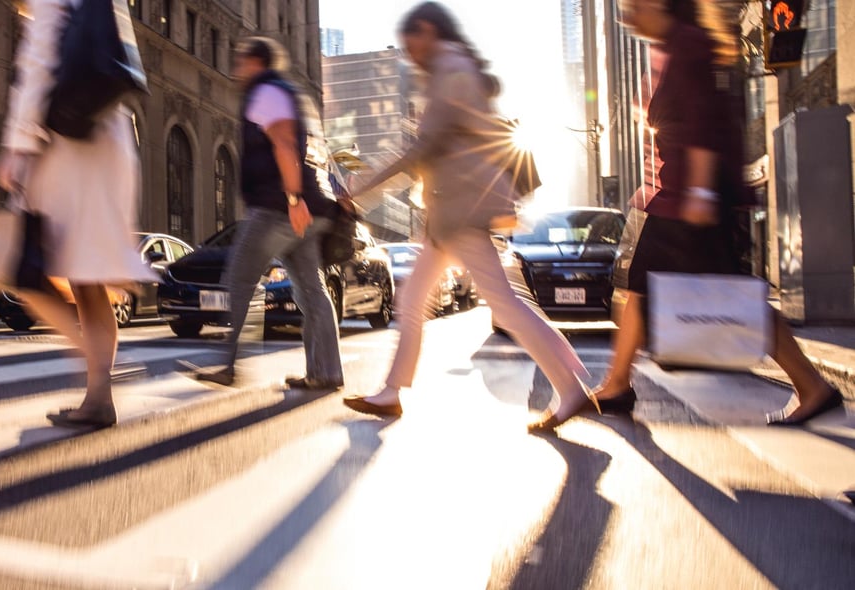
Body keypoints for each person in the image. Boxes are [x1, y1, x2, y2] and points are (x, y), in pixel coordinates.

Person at [584, 0, 843, 427]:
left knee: (689, 289)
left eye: (635, 6)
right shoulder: (669, 46)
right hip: (679, 195)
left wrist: (701, 191)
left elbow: (702, 121)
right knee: (648, 286)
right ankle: (617, 383)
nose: (626, 15)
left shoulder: (688, 43)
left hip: (694, 198)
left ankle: (617, 384)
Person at [341, 2, 595, 432]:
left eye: (410, 43)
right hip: (448, 214)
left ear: (427, 31)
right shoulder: (450, 70)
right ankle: (391, 392)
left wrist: (359, 189)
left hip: (463, 215)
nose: (409, 54)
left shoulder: (451, 70)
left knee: (504, 305)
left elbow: (423, 149)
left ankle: (571, 387)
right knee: (414, 300)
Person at [0, 0, 155, 428]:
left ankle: (97, 371)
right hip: (107, 138)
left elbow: (40, 60)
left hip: (68, 149)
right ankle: (98, 394)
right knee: (86, 282)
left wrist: (17, 146)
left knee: (26, 274)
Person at [195, 37, 344, 391]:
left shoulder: (267, 91)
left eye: (241, 60)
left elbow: (284, 143)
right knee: (312, 292)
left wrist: (293, 199)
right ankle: (326, 372)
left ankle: (229, 366)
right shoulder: (288, 92)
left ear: (256, 62)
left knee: (239, 279)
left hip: (279, 207)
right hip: (307, 206)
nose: (237, 67)